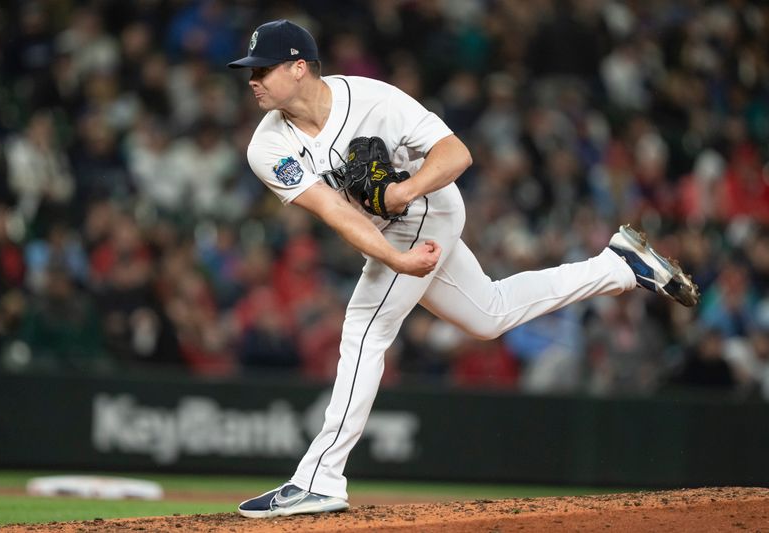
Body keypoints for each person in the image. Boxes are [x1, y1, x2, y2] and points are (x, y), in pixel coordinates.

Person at [229, 19, 699, 519]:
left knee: (365, 328)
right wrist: (394, 258)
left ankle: (319, 478)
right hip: (389, 234)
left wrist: (402, 192)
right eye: (250, 71)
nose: (252, 79)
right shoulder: (267, 146)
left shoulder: (374, 100)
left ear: (299, 67)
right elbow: (335, 211)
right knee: (488, 315)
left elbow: (456, 153)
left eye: (263, 69)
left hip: (430, 206)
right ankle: (619, 266)